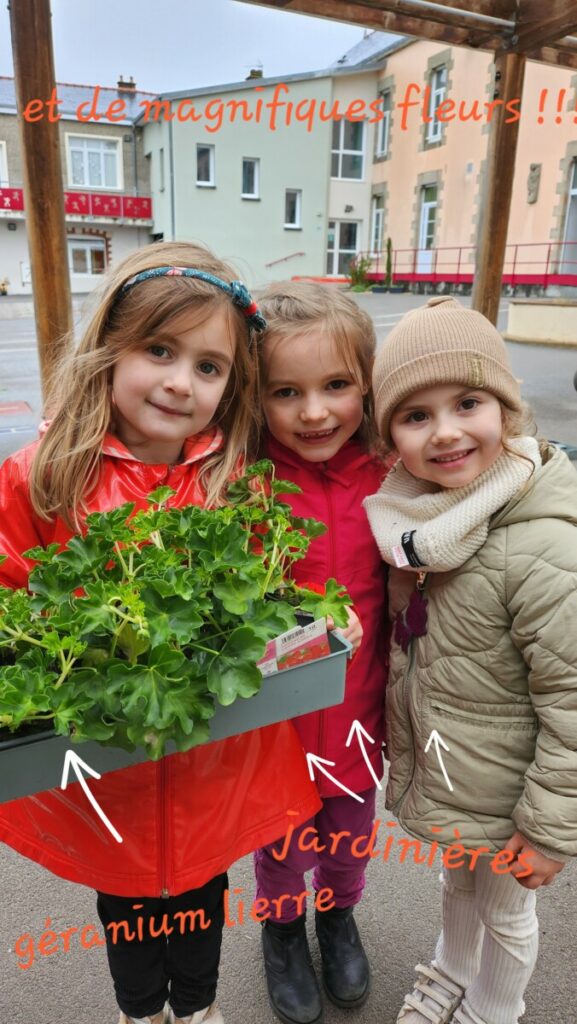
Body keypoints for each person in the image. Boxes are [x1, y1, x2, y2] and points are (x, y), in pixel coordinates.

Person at [0, 242, 322, 1024]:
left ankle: (202, 1007)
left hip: (211, 761)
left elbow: (271, 604)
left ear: (230, 386)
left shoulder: (233, 485)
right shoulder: (44, 475)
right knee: (127, 904)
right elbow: (12, 593)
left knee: (204, 889)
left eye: (209, 367)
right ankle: (140, 1011)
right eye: (159, 351)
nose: (182, 381)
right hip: (112, 772)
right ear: (110, 349)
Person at [364, 296, 577, 1024]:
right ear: (391, 432)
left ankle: (492, 1009)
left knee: (507, 915)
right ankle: (450, 974)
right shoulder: (424, 522)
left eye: (467, 402)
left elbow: (572, 702)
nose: (445, 431)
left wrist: (547, 829)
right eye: (415, 415)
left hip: (516, 797)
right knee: (457, 888)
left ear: (506, 408)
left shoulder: (540, 543)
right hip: (460, 777)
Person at [253, 282, 388, 1024]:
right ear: (256, 397)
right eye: (285, 391)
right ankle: (279, 929)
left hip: (361, 707)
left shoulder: (387, 470)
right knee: (279, 840)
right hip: (275, 722)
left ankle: (336, 916)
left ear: (365, 385)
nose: (313, 412)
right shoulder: (241, 480)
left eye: (335, 386)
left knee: (349, 833)